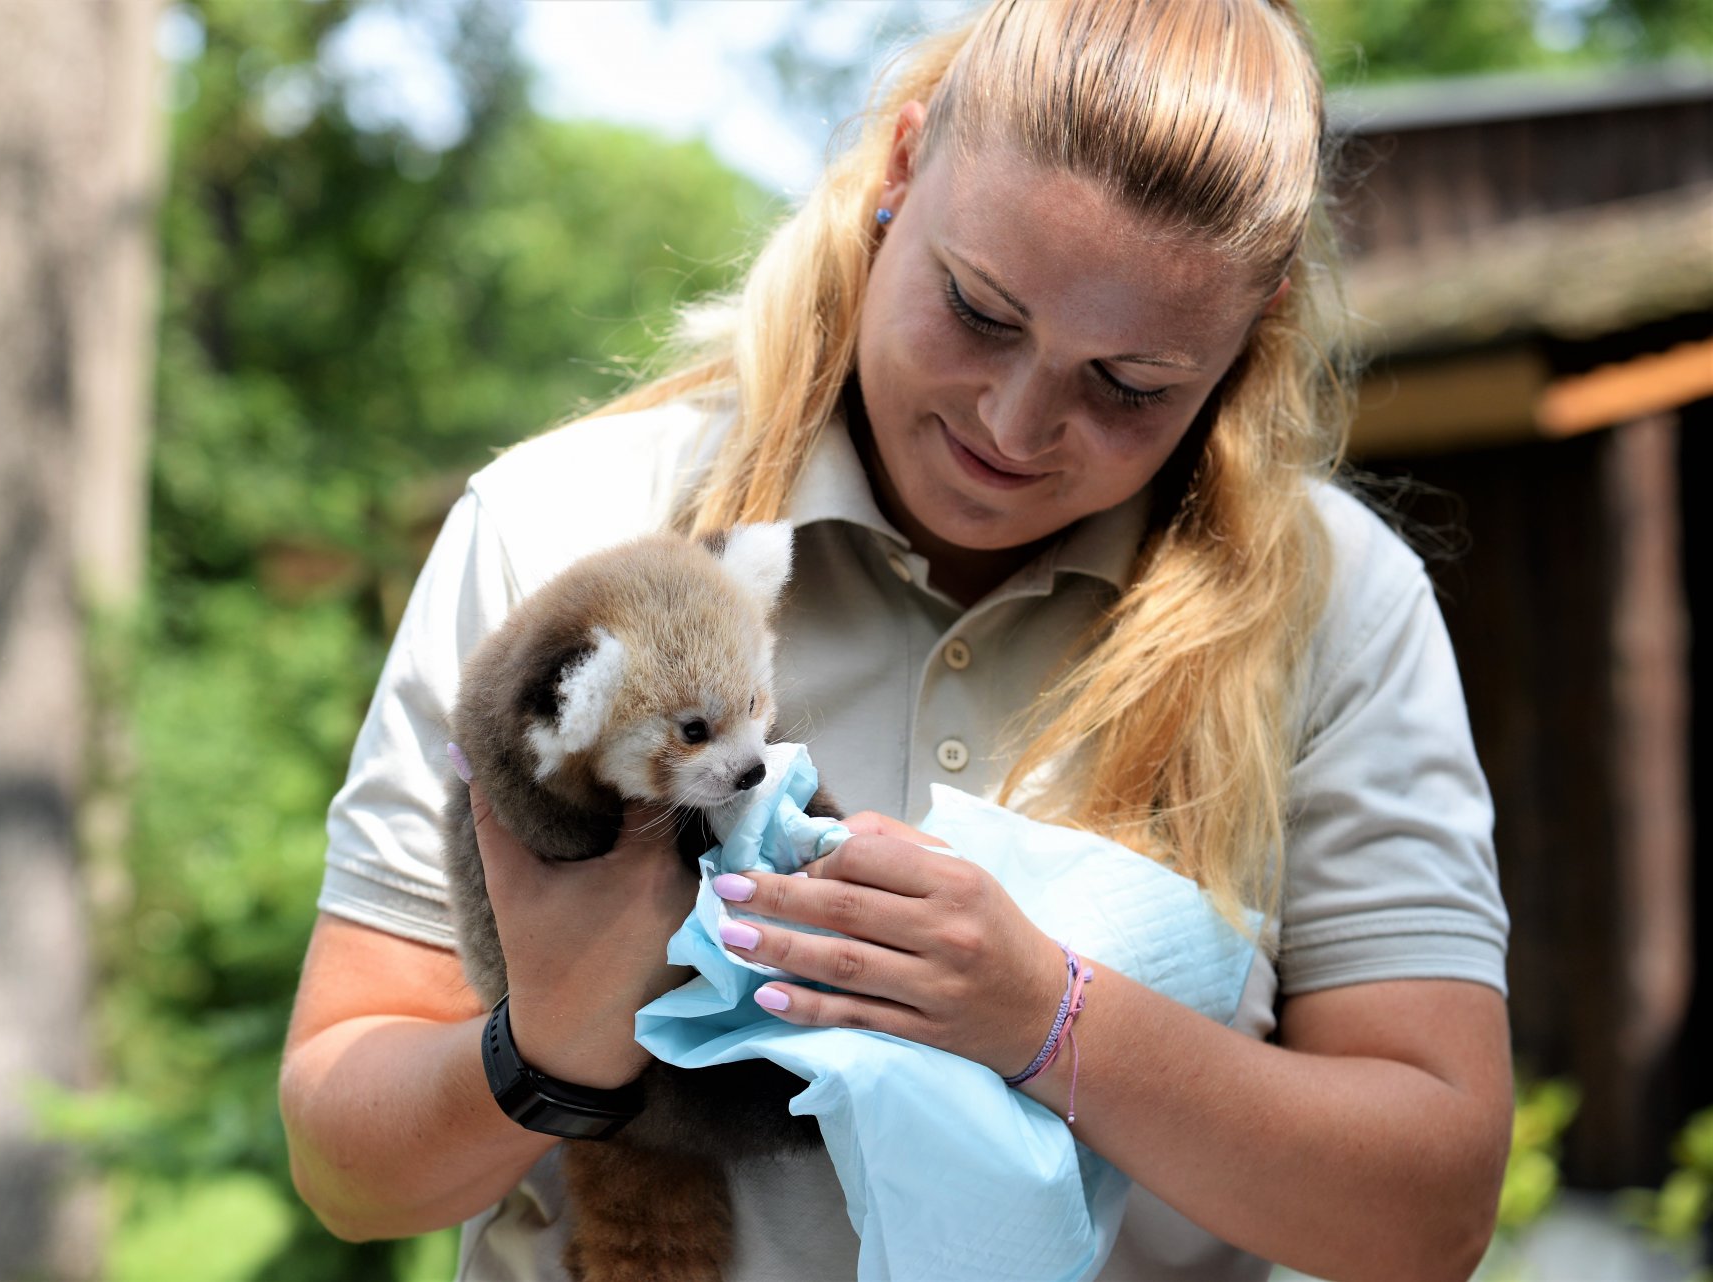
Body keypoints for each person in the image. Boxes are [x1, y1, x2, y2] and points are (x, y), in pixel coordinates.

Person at [279, 0, 1514, 1278]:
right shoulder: (567, 530)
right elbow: (344, 1165)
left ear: (1251, 333)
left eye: (1130, 386)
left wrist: (1047, 1018)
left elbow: (1429, 1217)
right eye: (980, 311)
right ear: (903, 168)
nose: (1018, 422)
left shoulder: (1336, 602)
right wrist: (551, 1046)